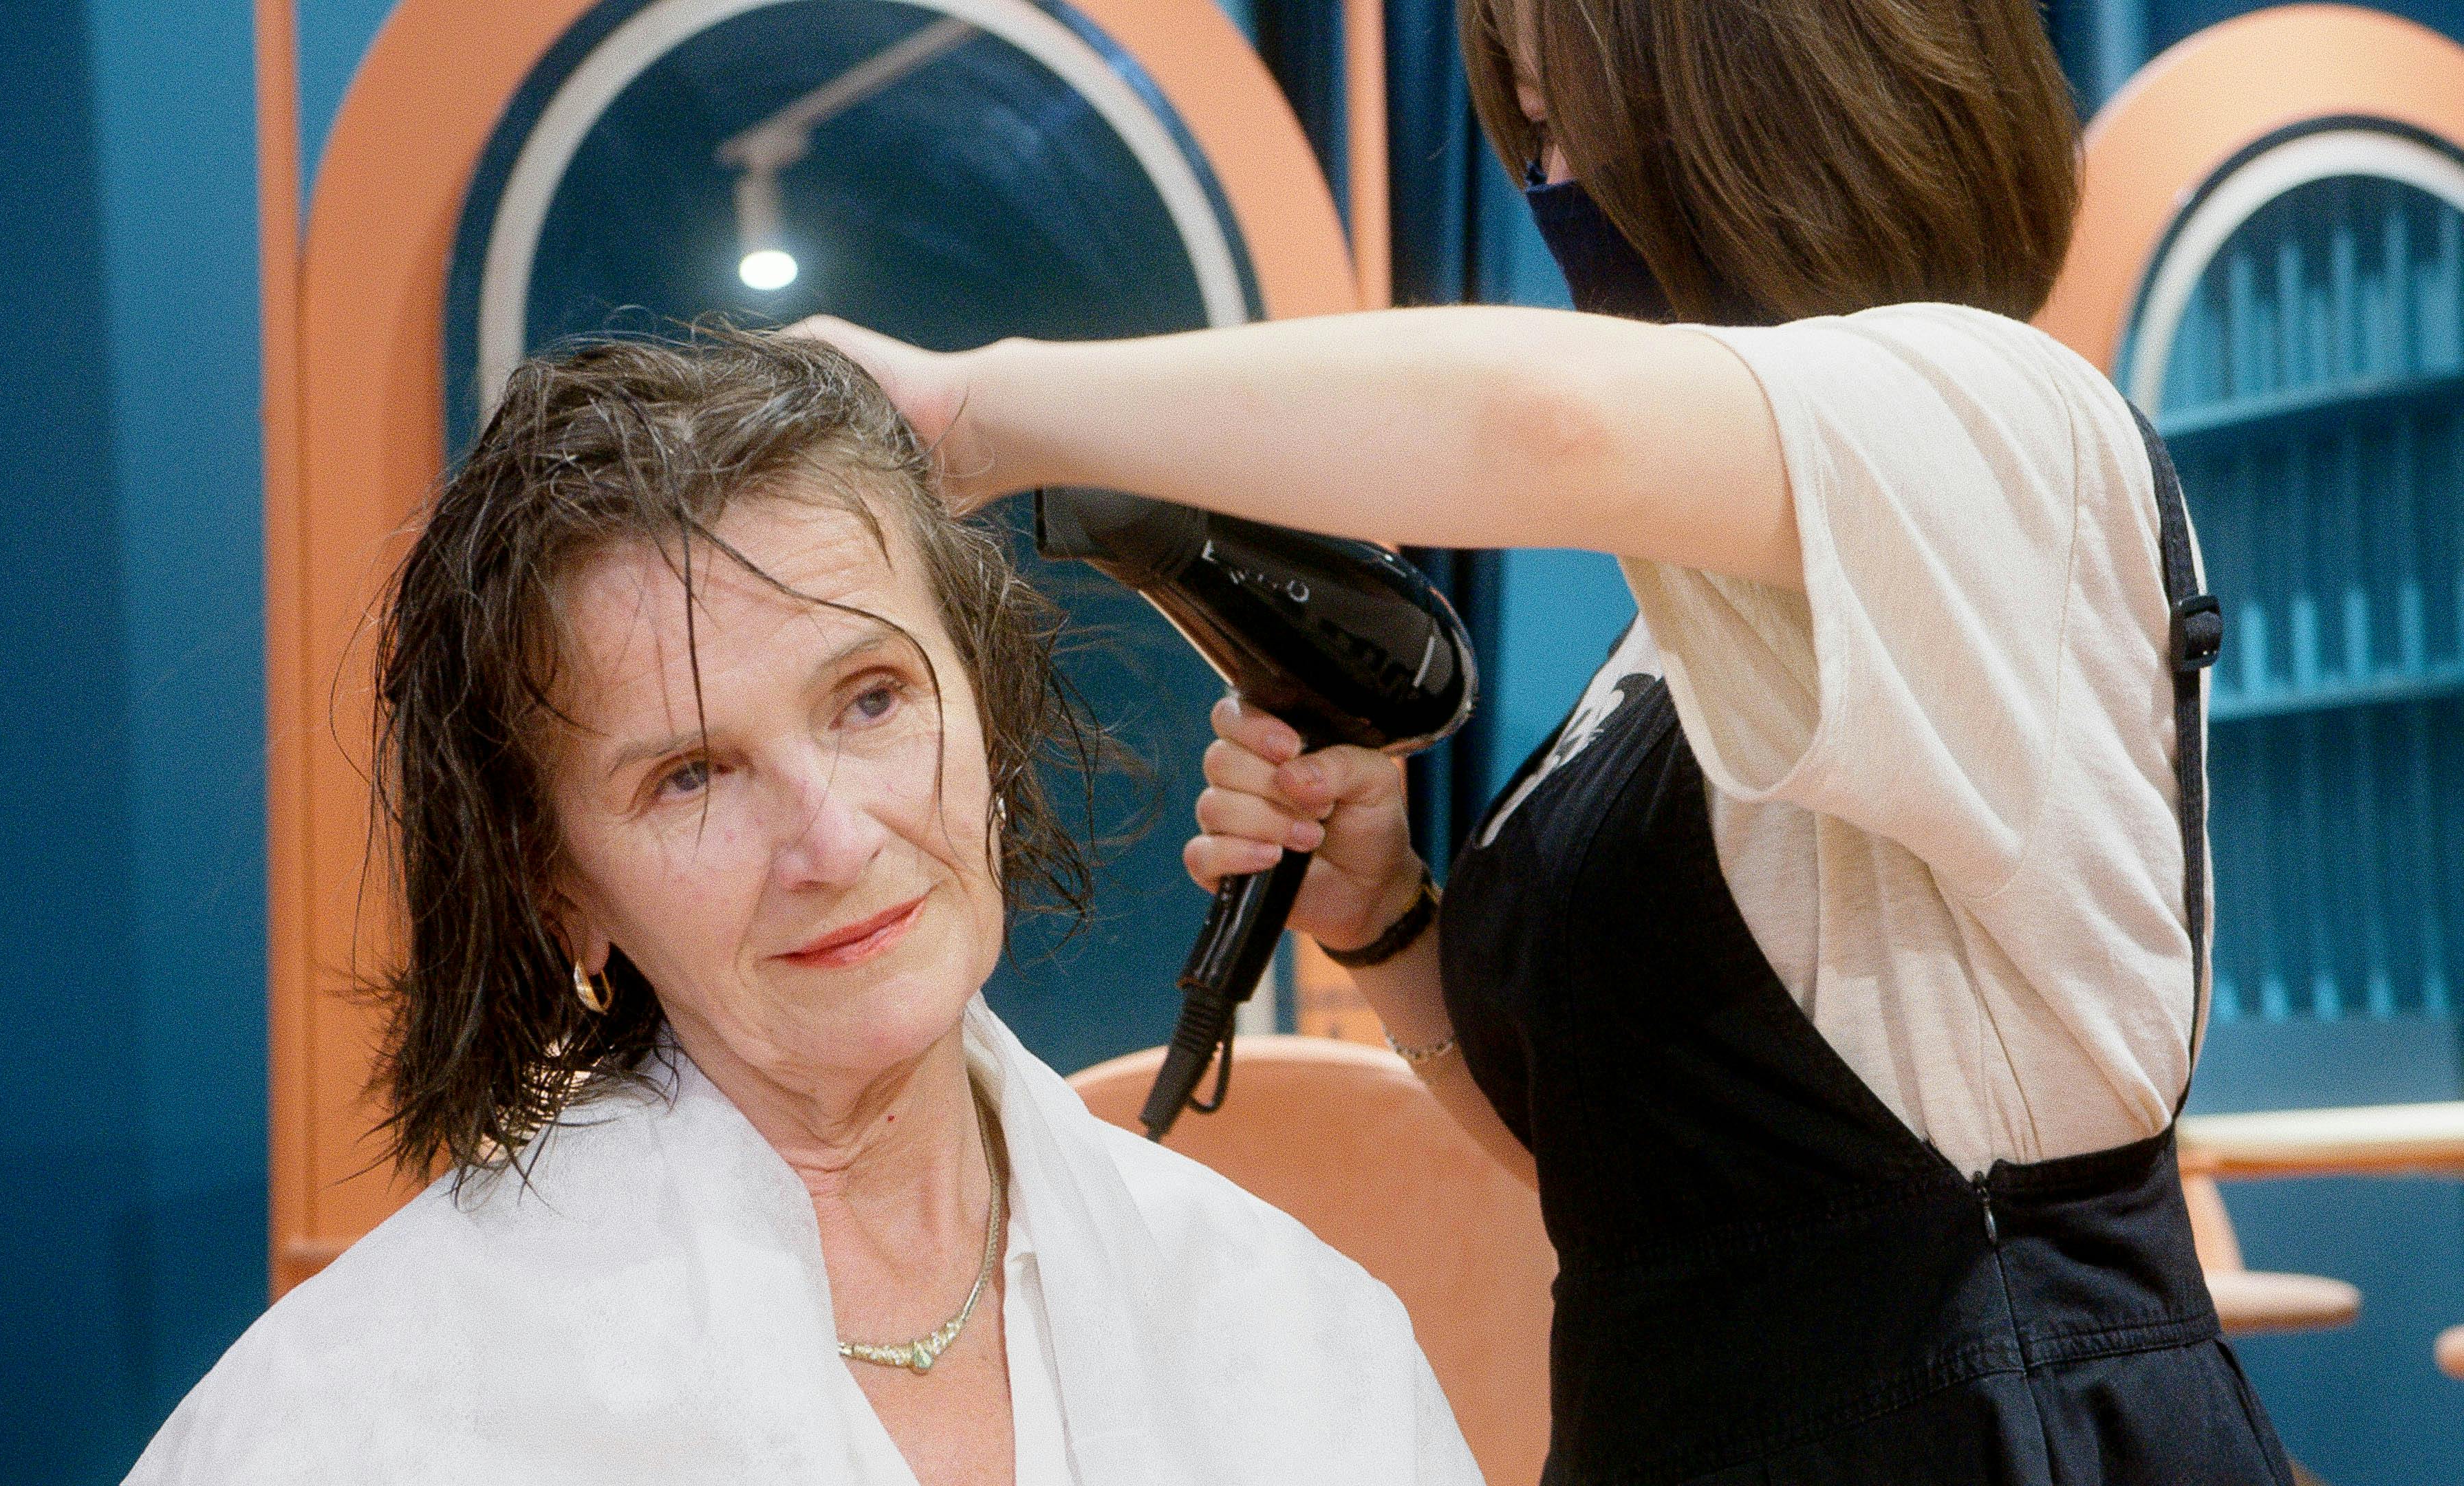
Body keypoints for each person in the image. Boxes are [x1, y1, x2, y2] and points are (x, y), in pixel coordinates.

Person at [795, 0, 2293, 1480]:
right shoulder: (1687, 638)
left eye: (1565, 110)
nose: (1548, 178)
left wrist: (972, 417)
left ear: (1782, 93)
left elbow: (1553, 430)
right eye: (1527, 121)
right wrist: (1383, 918)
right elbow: (1621, 1180)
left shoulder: (2009, 427)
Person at [124, 331, 1480, 1486]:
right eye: (691, 775)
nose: (832, 840)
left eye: (872, 699)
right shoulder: (356, 1424)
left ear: (983, 703)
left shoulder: (1299, 1337)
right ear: (561, 891)